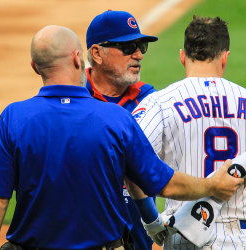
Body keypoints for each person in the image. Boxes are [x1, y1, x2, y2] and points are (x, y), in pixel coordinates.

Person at [0, 25, 243, 250]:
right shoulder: (115, 118)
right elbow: (165, 184)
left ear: (35, 67)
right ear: (79, 58)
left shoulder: (14, 118)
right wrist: (212, 186)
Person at [133, 16, 246, 249]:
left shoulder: (160, 103)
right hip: (243, 239)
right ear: (225, 58)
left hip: (185, 236)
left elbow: (134, 165)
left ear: (182, 56)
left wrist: (151, 221)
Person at [85, 10, 158, 250]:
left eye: (141, 47)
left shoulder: (151, 101)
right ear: (97, 53)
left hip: (138, 241)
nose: (138, 55)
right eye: (128, 47)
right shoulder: (73, 100)